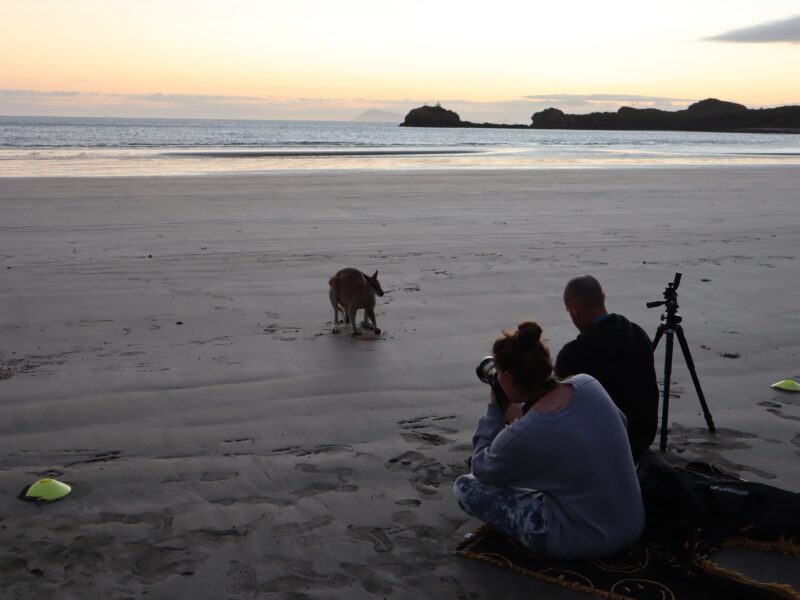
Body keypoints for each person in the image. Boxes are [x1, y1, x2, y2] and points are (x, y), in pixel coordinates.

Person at [453, 321, 645, 559]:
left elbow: (481, 468)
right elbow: (621, 423)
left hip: (583, 540)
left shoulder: (527, 432)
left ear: (508, 376)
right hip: (632, 521)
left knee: (465, 487)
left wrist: (495, 407)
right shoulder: (588, 384)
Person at [555, 275, 658, 461]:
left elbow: (559, 413)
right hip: (642, 438)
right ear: (603, 297)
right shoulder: (638, 335)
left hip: (602, 448)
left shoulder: (573, 355)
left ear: (573, 308)